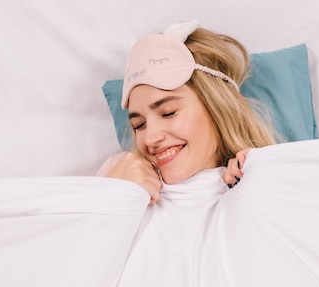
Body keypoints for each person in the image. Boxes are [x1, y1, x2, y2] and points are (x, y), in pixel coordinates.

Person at [102, 20, 279, 204]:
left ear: (217, 107)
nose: (149, 139)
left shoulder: (262, 177)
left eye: (168, 113)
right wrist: (113, 193)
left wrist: (261, 178)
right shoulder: (118, 177)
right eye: (139, 125)